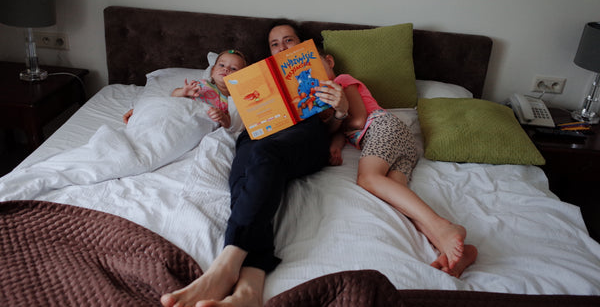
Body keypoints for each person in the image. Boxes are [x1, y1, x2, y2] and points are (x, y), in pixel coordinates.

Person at [160, 20, 349, 307]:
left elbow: (333, 130)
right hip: (258, 133)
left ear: (302, 45)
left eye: (288, 40)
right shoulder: (258, 77)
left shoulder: (323, 74)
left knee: (265, 156)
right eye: (274, 44)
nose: (281, 47)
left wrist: (340, 110)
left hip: (304, 134)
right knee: (245, 176)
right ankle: (249, 290)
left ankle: (226, 265)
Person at [321, 52, 478, 278]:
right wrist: (335, 145)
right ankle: (451, 250)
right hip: (400, 142)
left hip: (383, 127)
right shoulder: (326, 102)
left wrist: (339, 112)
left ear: (329, 61)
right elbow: (344, 132)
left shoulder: (342, 81)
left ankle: (444, 226)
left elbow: (358, 120)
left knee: (368, 178)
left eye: (314, 64)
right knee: (397, 200)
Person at [123, 49, 247, 129]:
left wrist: (223, 118)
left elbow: (231, 124)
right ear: (213, 71)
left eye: (234, 69)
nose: (226, 69)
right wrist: (184, 92)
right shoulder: (202, 84)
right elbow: (173, 97)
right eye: (222, 65)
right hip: (181, 113)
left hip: (198, 125)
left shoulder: (233, 102)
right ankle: (142, 118)